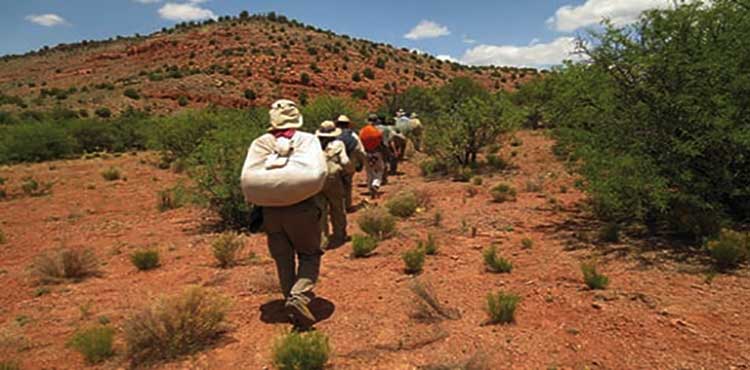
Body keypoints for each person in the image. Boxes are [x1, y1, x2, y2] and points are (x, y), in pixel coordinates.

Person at [250, 99, 325, 328]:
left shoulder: (261, 142)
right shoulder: (307, 140)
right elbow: (320, 171)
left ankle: (291, 305)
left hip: (270, 212)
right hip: (302, 209)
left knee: (283, 259)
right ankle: (299, 298)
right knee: (309, 255)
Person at [316, 120, 352, 249]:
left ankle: (322, 239)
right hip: (332, 178)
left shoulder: (313, 144)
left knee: (320, 209)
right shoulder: (338, 144)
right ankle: (339, 234)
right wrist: (348, 171)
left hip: (316, 178)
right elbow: (345, 161)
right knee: (337, 206)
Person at [335, 115, 367, 213]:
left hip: (334, 165)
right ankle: (347, 206)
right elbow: (360, 151)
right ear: (348, 124)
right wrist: (361, 163)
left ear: (337, 124)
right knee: (347, 185)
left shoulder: (331, 134)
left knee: (335, 186)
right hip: (349, 165)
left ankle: (335, 207)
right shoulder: (353, 135)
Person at [359, 120, 386, 198]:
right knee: (380, 170)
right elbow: (381, 144)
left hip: (366, 154)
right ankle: (376, 184)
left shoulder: (362, 132)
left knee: (369, 172)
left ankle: (370, 190)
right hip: (376, 154)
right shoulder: (377, 132)